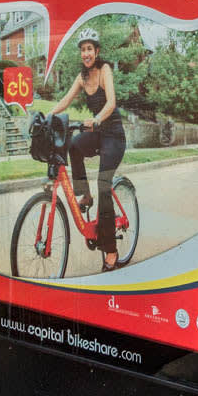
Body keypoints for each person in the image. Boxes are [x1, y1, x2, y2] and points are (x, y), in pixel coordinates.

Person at [51, 28, 128, 271]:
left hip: (113, 136)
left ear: (97, 51)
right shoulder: (82, 77)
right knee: (73, 145)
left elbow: (112, 102)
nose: (86, 53)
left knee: (104, 186)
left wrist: (96, 119)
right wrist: (46, 115)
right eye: (83, 49)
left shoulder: (105, 70)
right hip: (97, 133)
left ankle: (111, 251)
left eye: (90, 49)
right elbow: (65, 99)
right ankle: (85, 194)